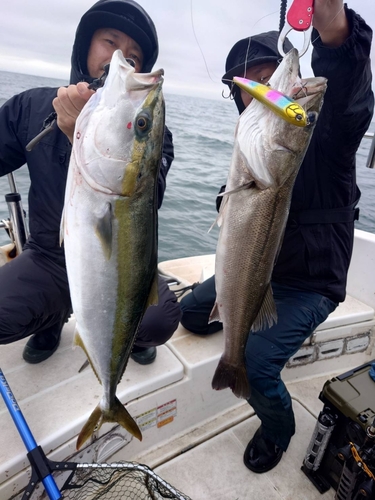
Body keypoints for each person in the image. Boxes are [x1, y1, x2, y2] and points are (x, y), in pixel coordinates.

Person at [180, 0, 374, 473]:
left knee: (256, 361)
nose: (263, 89)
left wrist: (333, 25)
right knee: (189, 313)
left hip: (310, 283)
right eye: (252, 85)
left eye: (272, 78)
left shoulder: (325, 135)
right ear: (241, 97)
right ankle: (235, 321)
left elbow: (349, 97)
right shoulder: (250, 148)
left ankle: (277, 430)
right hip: (257, 274)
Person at [0, 0, 181, 365]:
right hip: (50, 258)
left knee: (160, 319)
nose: (121, 58)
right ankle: (51, 317)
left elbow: (147, 201)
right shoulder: (33, 106)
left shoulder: (150, 133)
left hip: (120, 257)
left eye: (134, 55)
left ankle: (126, 335)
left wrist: (77, 136)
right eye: (109, 42)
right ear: (85, 47)